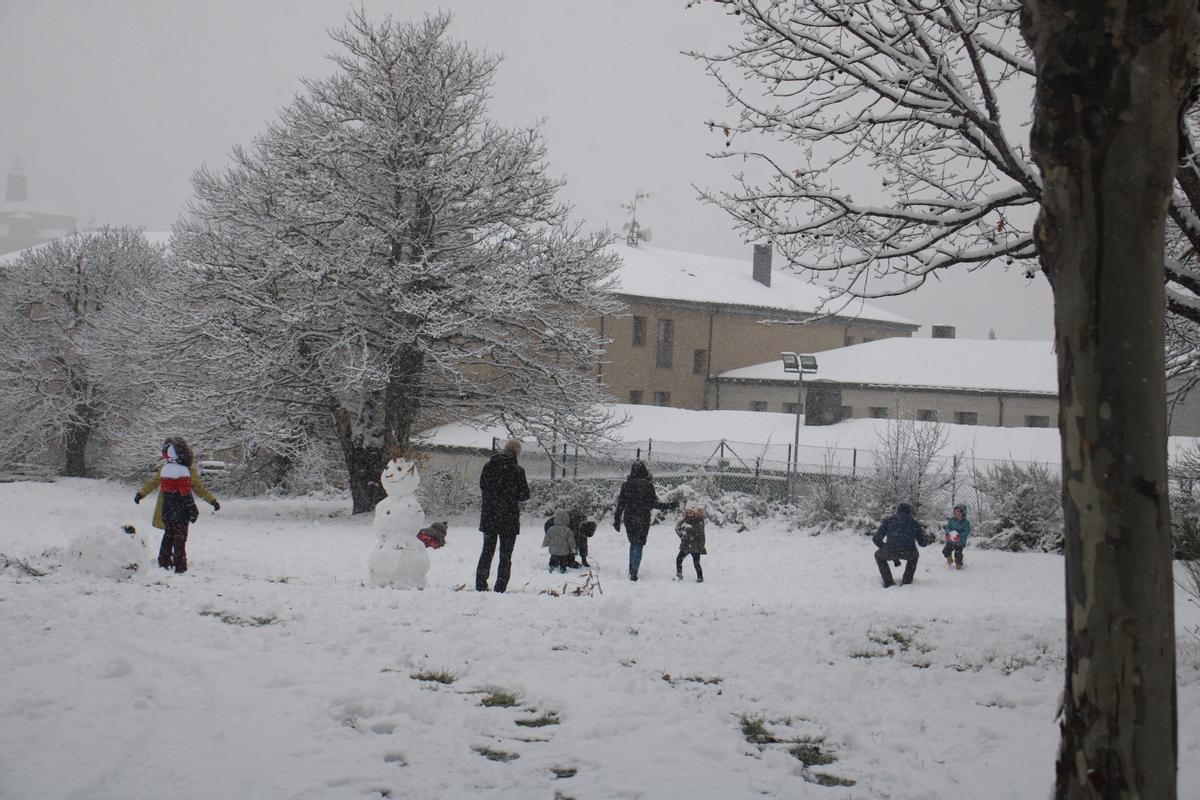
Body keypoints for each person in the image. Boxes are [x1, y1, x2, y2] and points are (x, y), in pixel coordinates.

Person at [134, 438, 220, 574]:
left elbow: (199, 488)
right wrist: (141, 493)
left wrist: (212, 500)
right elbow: (153, 483)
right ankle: (175, 562)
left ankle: (165, 560)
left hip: (168, 508)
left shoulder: (177, 470)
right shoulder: (179, 471)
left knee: (169, 534)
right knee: (177, 535)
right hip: (178, 507)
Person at [476, 438, 530, 592]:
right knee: (505, 555)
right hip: (509, 518)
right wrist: (511, 494)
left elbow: (483, 486)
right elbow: (525, 495)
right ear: (517, 452)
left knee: (487, 552)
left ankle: (480, 584)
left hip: (489, 516)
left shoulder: (489, 466)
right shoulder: (518, 471)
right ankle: (500, 587)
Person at [613, 460, 678, 581]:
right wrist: (671, 506)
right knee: (638, 544)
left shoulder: (626, 485)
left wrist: (617, 519)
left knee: (633, 543)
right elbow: (654, 503)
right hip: (642, 518)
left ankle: (632, 569)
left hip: (629, 518)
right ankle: (634, 572)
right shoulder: (648, 485)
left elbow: (621, 504)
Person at [872, 502, 928, 587]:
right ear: (909, 512)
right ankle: (907, 581)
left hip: (890, 551)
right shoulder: (914, 523)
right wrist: (929, 539)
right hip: (908, 552)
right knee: (914, 556)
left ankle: (888, 581)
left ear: (898, 511)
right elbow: (923, 543)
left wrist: (885, 548)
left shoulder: (889, 521)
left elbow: (876, 539)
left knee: (878, 555)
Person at [674, 503, 707, 583]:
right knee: (679, 559)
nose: (689, 514)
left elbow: (699, 532)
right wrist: (681, 534)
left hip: (696, 546)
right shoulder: (685, 520)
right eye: (687, 512)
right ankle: (679, 574)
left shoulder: (699, 521)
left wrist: (689, 529)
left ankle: (700, 577)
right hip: (686, 545)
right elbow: (678, 528)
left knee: (696, 563)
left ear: (695, 513)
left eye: (691, 512)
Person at [543, 509, 577, 574]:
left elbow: (547, 537)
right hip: (564, 551)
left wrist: (545, 544)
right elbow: (571, 540)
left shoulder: (551, 528)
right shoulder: (568, 530)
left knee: (553, 559)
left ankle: (552, 567)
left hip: (553, 550)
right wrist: (573, 548)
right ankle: (562, 568)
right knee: (562, 560)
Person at [942, 503, 972, 569]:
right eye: (956, 512)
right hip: (951, 541)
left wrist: (959, 536)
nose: (957, 514)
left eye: (959, 512)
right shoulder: (951, 520)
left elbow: (967, 531)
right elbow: (947, 528)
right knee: (946, 550)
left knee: (958, 555)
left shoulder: (965, 522)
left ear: (963, 513)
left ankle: (959, 565)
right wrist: (948, 533)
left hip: (960, 542)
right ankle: (949, 557)